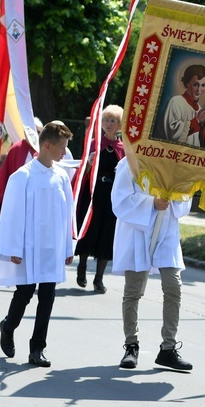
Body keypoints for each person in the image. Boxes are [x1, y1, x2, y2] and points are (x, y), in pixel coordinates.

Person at [0, 121, 74, 367]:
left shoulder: (61, 176)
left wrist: (68, 248)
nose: (64, 153)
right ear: (46, 146)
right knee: (25, 293)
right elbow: (13, 214)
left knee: (47, 297)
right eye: (61, 148)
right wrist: (13, 249)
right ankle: (8, 326)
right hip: (29, 247)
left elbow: (66, 215)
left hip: (52, 248)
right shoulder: (23, 176)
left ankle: (37, 348)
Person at [111, 156, 193, 371]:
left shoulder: (177, 161)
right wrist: (151, 203)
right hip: (138, 231)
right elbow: (119, 200)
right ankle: (131, 345)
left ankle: (168, 348)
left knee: (173, 287)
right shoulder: (130, 162)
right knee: (133, 291)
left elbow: (186, 196)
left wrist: (174, 199)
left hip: (166, 230)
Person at [75, 105, 125, 293]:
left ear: (120, 125)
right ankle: (81, 267)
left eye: (113, 121)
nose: (109, 124)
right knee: (90, 231)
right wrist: (88, 162)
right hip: (94, 194)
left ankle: (99, 278)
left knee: (107, 235)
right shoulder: (94, 143)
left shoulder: (123, 148)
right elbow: (83, 171)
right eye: (106, 120)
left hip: (112, 198)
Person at [0, 118, 43, 218]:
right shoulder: (17, 148)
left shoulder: (43, 150)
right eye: (31, 131)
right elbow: (5, 173)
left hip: (36, 197)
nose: (34, 134)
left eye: (38, 131)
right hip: (17, 196)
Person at [163, 64, 205, 150]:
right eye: (195, 85)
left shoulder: (200, 109)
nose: (199, 90)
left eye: (203, 85)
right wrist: (198, 121)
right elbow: (171, 133)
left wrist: (202, 125)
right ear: (187, 83)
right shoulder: (176, 101)